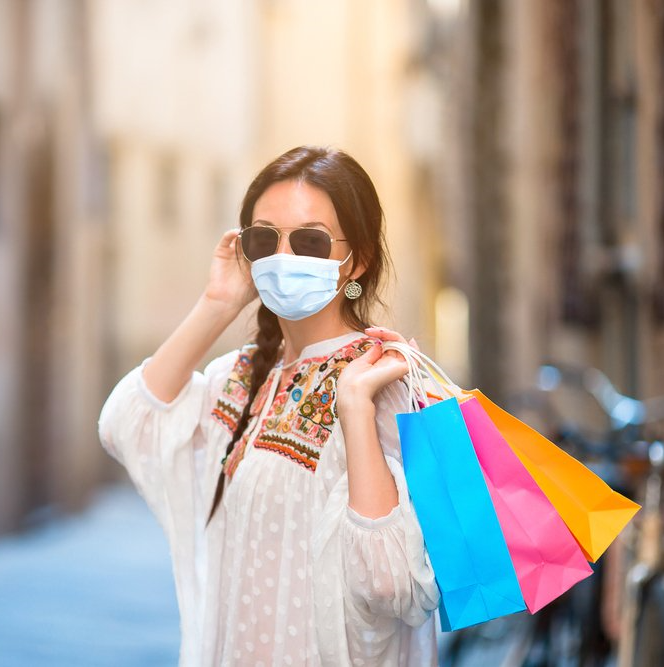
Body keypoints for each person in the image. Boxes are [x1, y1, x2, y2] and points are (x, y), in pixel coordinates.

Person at [98, 146, 440, 666]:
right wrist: (218, 304)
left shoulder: (384, 381)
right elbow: (128, 425)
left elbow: (391, 584)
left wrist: (353, 409)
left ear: (360, 259)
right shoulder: (238, 377)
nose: (284, 257)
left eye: (309, 240)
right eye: (264, 240)